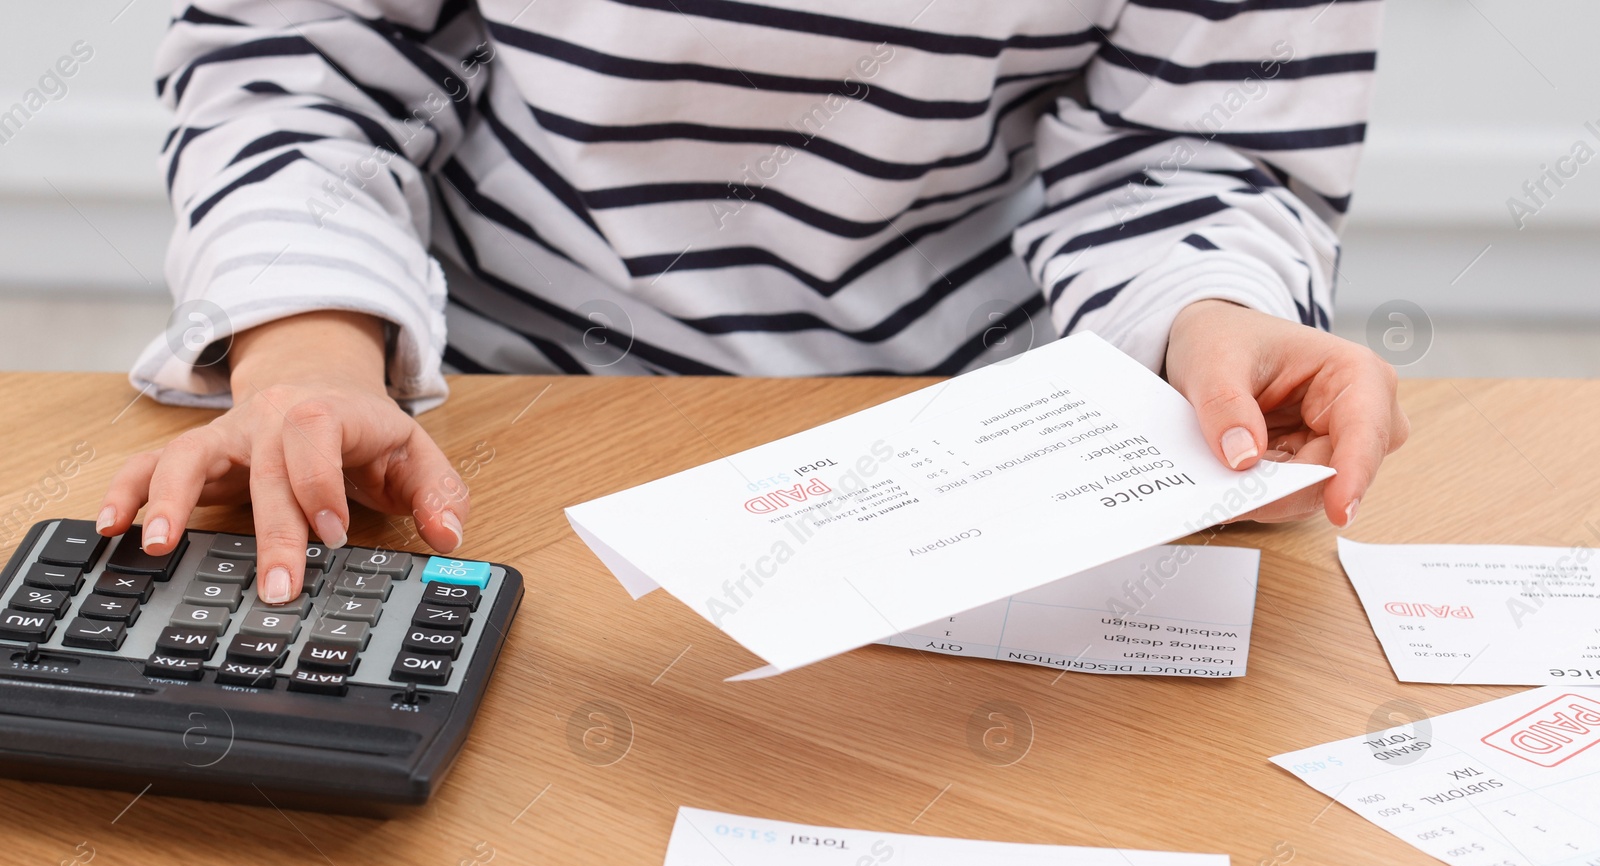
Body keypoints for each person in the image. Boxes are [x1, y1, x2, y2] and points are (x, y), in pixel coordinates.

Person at [98, 0, 1408, 606]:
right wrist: (313, 353)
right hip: (489, 419)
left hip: (981, 452)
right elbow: (298, 54)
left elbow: (1192, 149)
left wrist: (1209, 307)